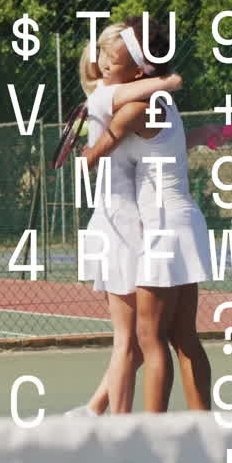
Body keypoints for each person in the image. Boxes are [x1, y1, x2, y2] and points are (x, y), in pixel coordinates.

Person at [73, 17, 231, 414]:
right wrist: (211, 132)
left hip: (161, 227)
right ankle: (201, 427)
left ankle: (149, 435)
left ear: (140, 68)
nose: (106, 62)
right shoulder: (162, 103)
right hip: (183, 221)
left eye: (115, 57)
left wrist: (84, 154)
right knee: (184, 338)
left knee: (150, 338)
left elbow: (93, 158)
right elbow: (176, 139)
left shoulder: (134, 111)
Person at [72, 22, 182, 416]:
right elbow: (135, 91)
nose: (102, 62)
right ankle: (117, 426)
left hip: (128, 224)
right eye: (100, 55)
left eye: (110, 56)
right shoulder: (108, 97)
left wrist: (208, 132)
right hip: (119, 224)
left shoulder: (127, 101)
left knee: (134, 343)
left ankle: (94, 413)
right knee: (127, 342)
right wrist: (165, 81)